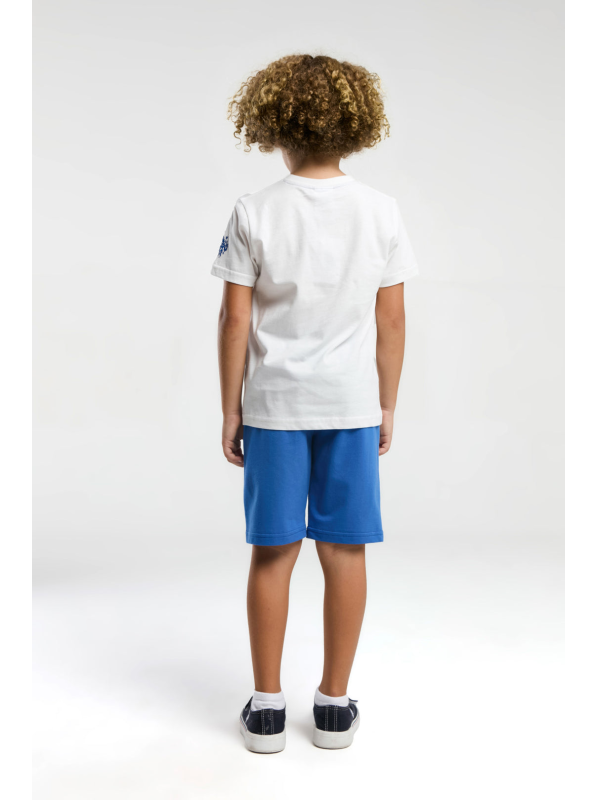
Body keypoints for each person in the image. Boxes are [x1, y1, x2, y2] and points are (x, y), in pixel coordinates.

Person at [212, 54, 418, 753]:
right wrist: (387, 405)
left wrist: (231, 409)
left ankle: (267, 710)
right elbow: (392, 321)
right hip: (351, 407)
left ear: (273, 121)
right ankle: (333, 707)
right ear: (356, 123)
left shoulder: (255, 210)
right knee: (344, 550)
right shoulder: (381, 211)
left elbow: (234, 320)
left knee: (273, 553)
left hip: (274, 408)